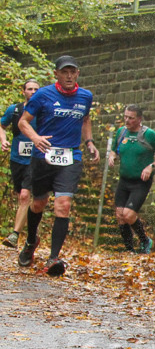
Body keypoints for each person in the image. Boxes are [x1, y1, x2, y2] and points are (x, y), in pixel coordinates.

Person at [16, 55, 99, 276]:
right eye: (65, 72)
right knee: (39, 203)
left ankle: (53, 258)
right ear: (57, 74)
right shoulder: (43, 95)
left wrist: (89, 141)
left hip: (71, 157)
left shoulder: (85, 96)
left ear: (78, 73)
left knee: (63, 205)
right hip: (43, 156)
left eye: (73, 71)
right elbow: (23, 122)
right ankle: (31, 240)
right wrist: (35, 138)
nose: (69, 75)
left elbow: (85, 118)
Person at [107, 104, 155, 253]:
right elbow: (114, 150)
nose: (127, 121)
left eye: (131, 118)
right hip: (124, 180)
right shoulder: (121, 132)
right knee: (120, 215)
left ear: (139, 119)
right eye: (125, 117)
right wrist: (112, 156)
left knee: (129, 215)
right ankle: (130, 251)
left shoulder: (149, 134)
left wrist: (151, 167)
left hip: (140, 182)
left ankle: (145, 240)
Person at [1, 79, 41, 249]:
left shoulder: (43, 111)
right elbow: (1, 125)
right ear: (23, 91)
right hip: (17, 159)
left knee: (25, 195)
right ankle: (32, 229)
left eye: (36, 89)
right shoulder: (15, 110)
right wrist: (2, 140)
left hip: (35, 160)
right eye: (29, 89)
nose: (32, 92)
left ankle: (15, 234)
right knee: (20, 195)